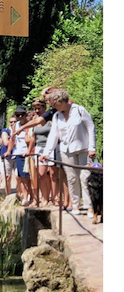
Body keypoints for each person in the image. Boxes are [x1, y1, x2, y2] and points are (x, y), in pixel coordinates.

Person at [43, 86, 97, 214]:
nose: (53, 107)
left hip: (83, 149)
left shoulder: (79, 110)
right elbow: (53, 135)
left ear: (62, 101)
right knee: (72, 178)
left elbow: (90, 127)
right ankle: (75, 205)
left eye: (54, 104)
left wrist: (92, 147)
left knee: (85, 178)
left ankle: (90, 207)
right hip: (66, 150)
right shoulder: (56, 116)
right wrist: (46, 152)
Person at [10, 105, 32, 205]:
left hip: (29, 153)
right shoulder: (16, 125)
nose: (19, 117)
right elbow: (13, 139)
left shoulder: (30, 124)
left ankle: (32, 196)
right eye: (17, 115)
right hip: (19, 153)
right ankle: (25, 197)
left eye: (21, 115)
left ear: (25, 115)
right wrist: (9, 151)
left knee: (30, 177)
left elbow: (33, 139)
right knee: (22, 177)